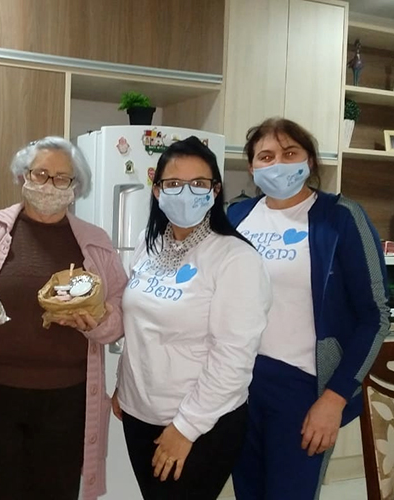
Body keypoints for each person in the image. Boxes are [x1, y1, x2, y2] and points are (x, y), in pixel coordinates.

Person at [0, 136, 127, 500]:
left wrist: (101, 320)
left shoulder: (95, 242)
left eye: (62, 178)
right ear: (23, 176)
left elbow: (120, 310)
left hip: (67, 401)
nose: (49, 185)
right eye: (40, 174)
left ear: (75, 186)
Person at [228, 118, 390, 499]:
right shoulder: (235, 217)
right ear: (251, 167)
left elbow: (375, 315)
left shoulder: (341, 217)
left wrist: (334, 399)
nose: (278, 164)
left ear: (310, 161)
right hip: (237, 383)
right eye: (266, 156)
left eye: (290, 153)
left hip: (303, 389)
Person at [111, 136, 272, 500]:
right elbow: (140, 324)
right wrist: (124, 385)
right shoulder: (149, 242)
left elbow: (233, 356)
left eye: (198, 183)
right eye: (173, 183)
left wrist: (185, 428)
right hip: (138, 411)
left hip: (201, 422)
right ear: (157, 191)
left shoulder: (236, 258)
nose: (186, 193)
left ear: (215, 191)